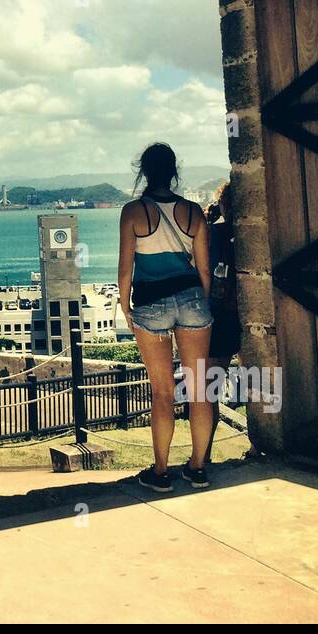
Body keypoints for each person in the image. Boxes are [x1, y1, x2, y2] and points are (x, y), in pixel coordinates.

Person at [118, 142, 213, 492]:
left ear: (143, 172)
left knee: (162, 393)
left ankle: (161, 473)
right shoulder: (193, 212)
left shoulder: (133, 211)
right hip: (191, 300)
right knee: (200, 390)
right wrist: (199, 303)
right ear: (174, 171)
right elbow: (204, 270)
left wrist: (126, 308)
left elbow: (125, 268)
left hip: (151, 304)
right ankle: (198, 468)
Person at [204, 182, 241, 466]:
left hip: (216, 320)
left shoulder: (213, 233)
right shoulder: (244, 235)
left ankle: (202, 458)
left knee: (206, 394)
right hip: (238, 319)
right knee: (263, 386)